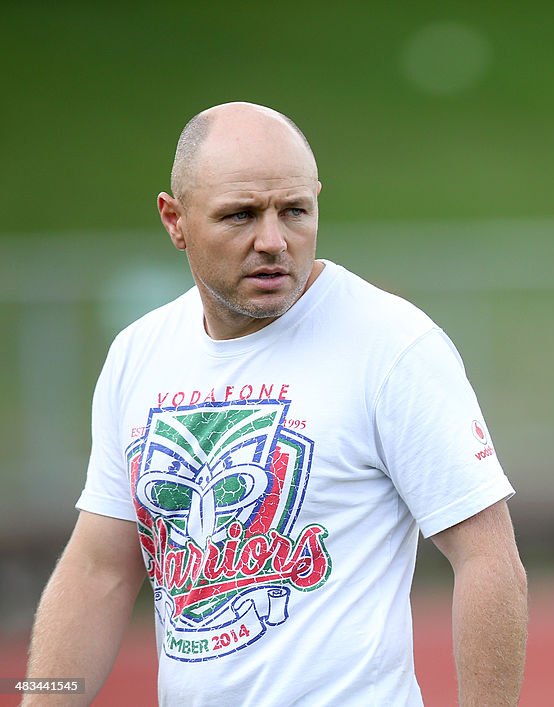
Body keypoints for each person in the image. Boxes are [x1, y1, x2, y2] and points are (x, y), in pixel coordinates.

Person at [24, 102, 527, 706]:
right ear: (174, 219)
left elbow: (488, 560)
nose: (273, 241)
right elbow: (97, 572)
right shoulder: (138, 352)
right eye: (240, 215)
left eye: (295, 211)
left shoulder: (391, 344)